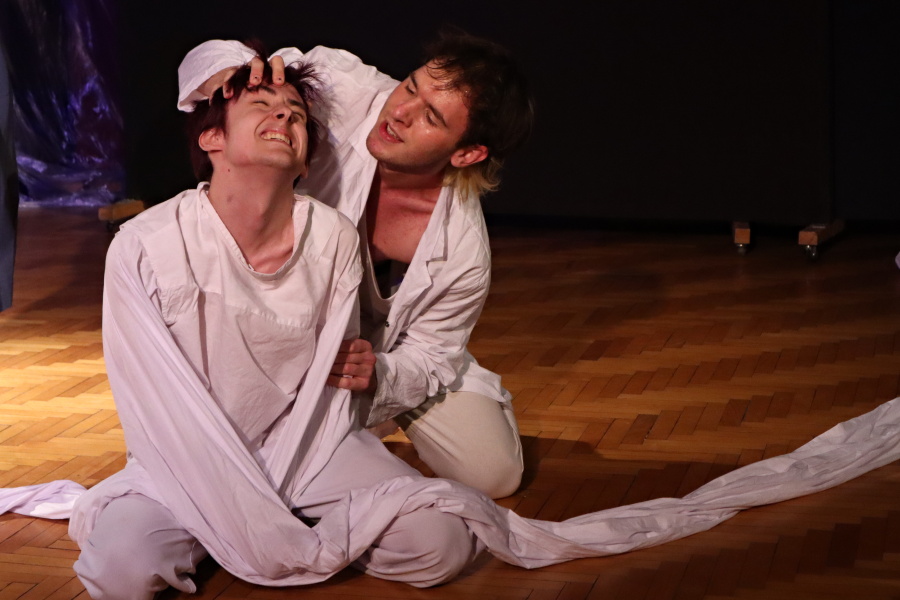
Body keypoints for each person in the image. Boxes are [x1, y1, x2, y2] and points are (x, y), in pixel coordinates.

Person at [68, 53, 478, 599]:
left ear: (307, 163)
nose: (284, 116)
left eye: (297, 115)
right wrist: (229, 489)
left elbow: (337, 383)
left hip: (307, 445)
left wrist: (368, 384)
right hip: (189, 454)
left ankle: (258, 525)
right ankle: (249, 525)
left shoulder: (332, 238)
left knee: (439, 542)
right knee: (119, 569)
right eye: (262, 106)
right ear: (212, 139)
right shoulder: (146, 244)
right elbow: (153, 393)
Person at [178, 31, 534, 498]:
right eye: (410, 86)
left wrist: (379, 375)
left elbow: (431, 354)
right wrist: (229, 72)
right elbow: (210, 61)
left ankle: (363, 422)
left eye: (430, 116)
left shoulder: (463, 250)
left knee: (494, 473)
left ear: (466, 153)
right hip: (291, 318)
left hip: (387, 350)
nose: (399, 112)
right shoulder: (343, 87)